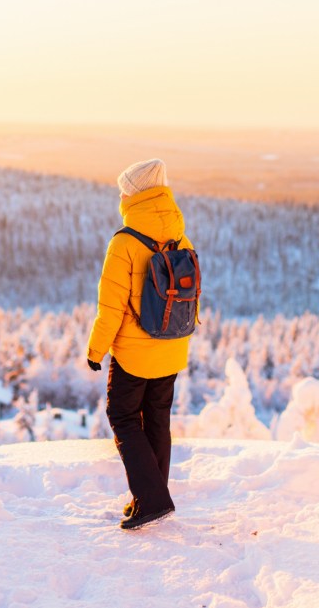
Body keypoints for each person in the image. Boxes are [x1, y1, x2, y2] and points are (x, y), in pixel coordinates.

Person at [87, 158, 193, 530]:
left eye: (125, 188)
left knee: (124, 417)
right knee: (157, 420)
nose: (121, 193)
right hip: (172, 347)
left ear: (135, 193)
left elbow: (110, 308)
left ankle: (151, 499)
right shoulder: (180, 237)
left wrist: (95, 350)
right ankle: (151, 497)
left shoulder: (125, 243)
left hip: (133, 352)